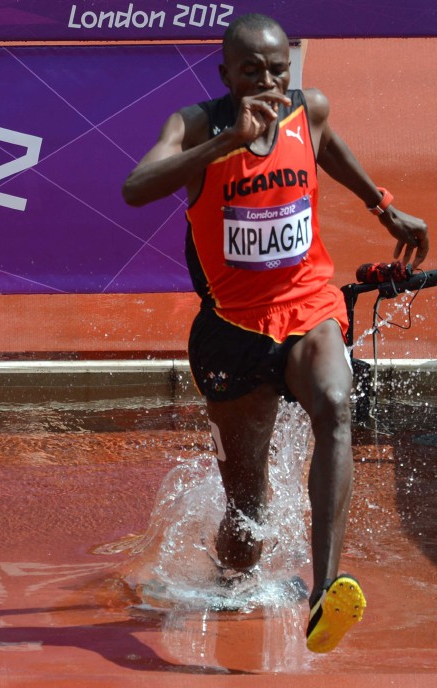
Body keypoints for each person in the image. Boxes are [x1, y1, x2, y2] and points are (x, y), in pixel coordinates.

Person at [121, 13, 429, 653]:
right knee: (248, 520)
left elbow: (327, 143)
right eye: (252, 71)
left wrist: (383, 206)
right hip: (233, 330)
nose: (267, 82)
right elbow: (135, 187)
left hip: (308, 306)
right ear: (226, 74)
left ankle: (325, 590)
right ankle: (231, 581)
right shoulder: (196, 124)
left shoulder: (305, 110)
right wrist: (225, 144)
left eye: (277, 70)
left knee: (336, 405)